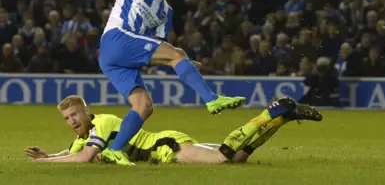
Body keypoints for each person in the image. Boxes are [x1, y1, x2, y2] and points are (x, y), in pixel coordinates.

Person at [73, 0, 246, 165]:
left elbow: (157, 49)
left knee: (143, 106)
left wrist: (182, 61)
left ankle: (114, 150)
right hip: (116, 39)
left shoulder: (166, 12)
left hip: (118, 59)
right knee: (177, 54)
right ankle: (212, 99)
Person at [25, 95, 322, 164]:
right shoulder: (85, 135)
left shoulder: (100, 123)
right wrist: (50, 154)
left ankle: (267, 113)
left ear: (87, 112)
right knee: (237, 159)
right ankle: (280, 118)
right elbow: (74, 152)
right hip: (165, 145)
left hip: (165, 146)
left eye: (75, 115)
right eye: (67, 119)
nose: (73, 121)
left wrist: (46, 162)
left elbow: (83, 159)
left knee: (222, 156)